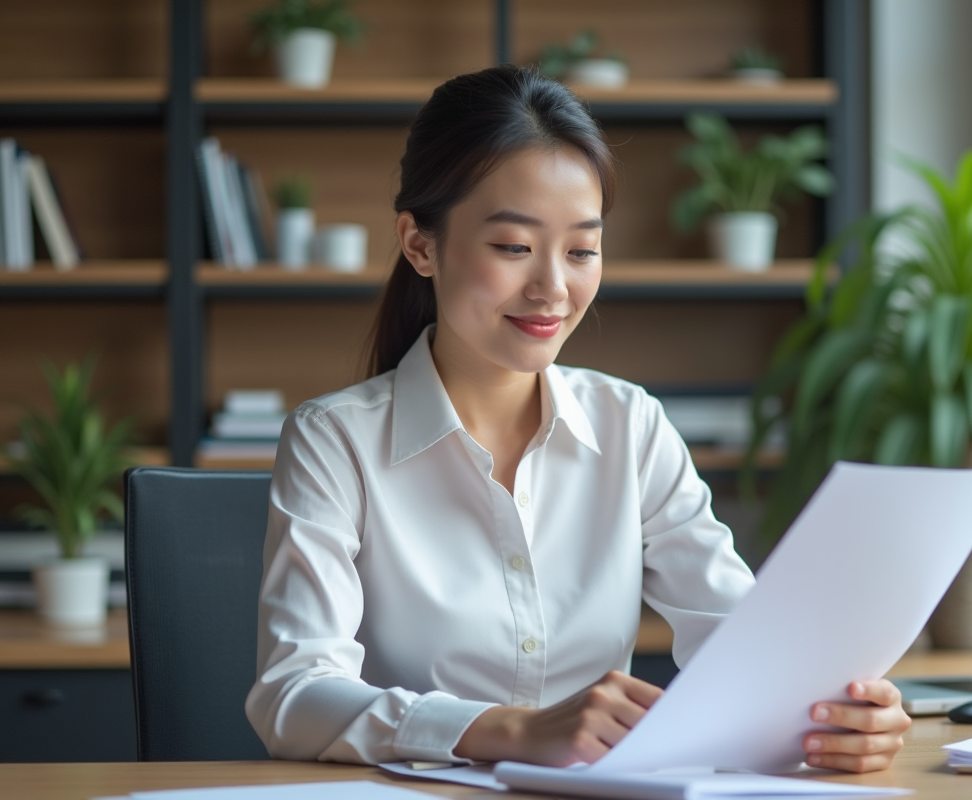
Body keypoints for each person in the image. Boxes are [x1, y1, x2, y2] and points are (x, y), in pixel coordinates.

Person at [246, 64, 911, 773]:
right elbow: (293, 696)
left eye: (582, 251)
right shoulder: (335, 441)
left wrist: (832, 711)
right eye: (513, 247)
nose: (553, 289)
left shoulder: (631, 426)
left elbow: (739, 639)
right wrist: (510, 731)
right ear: (420, 245)